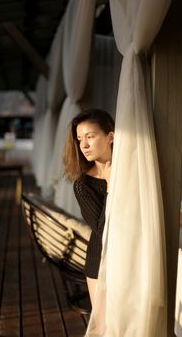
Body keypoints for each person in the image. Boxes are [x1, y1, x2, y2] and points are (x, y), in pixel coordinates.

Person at [63, 109, 114, 308]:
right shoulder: (83, 184)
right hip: (99, 262)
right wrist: (110, 187)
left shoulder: (131, 172)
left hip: (132, 258)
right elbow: (102, 230)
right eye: (79, 139)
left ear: (110, 136)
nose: (83, 145)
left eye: (90, 137)